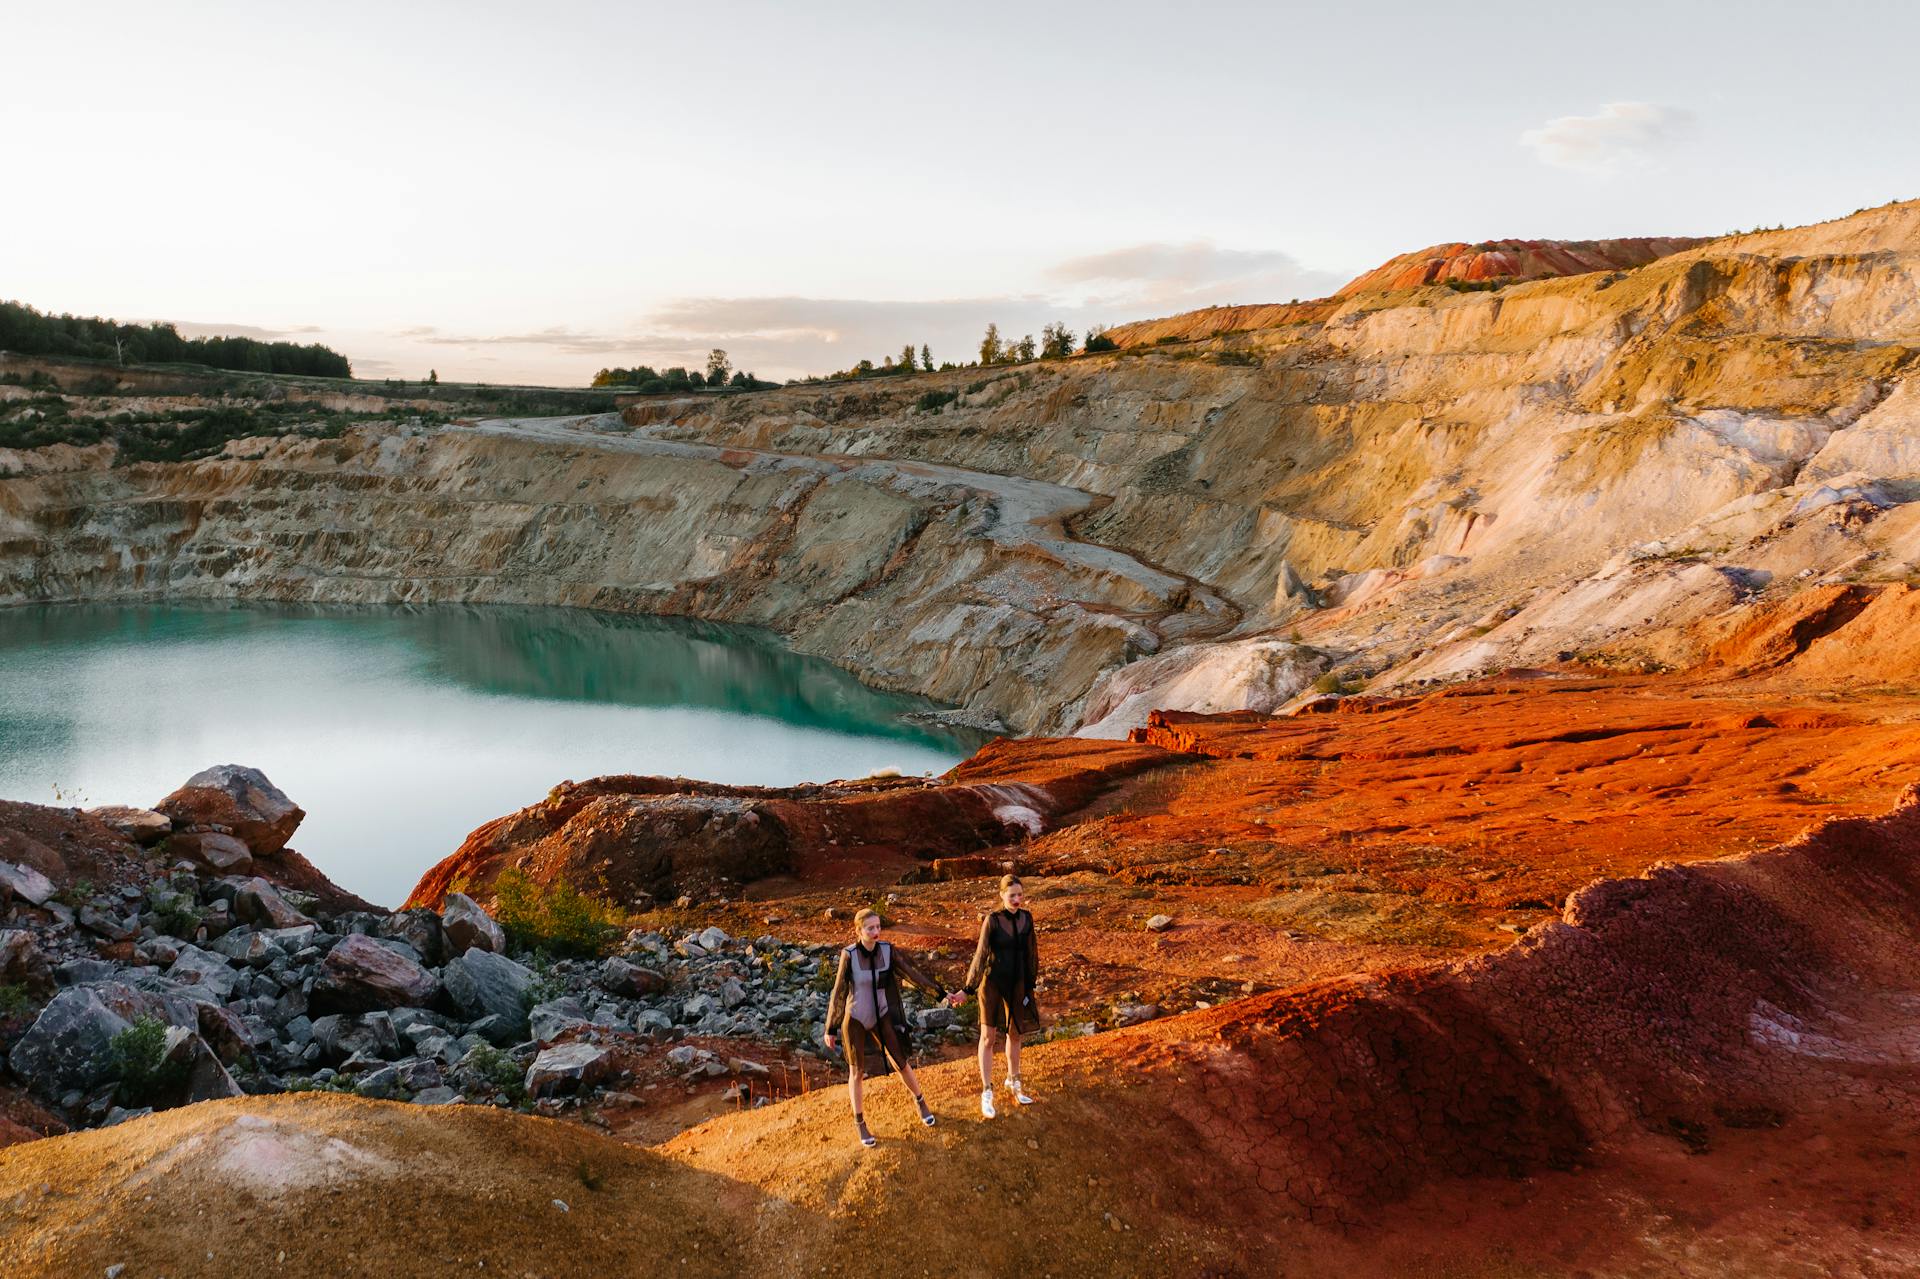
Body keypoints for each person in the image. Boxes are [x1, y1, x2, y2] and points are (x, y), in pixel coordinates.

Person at [824, 907, 964, 1148]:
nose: (876, 931)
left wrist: (941, 994)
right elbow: (839, 991)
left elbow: (912, 974)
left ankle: (920, 1101)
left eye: (878, 927)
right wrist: (831, 1028)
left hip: (882, 1016)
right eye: (870, 928)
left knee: (901, 1061)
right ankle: (860, 1123)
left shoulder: (888, 951)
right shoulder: (849, 954)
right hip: (855, 1018)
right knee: (857, 1072)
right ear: (858, 931)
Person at [965, 873, 1042, 1118]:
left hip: (1017, 983)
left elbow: (1032, 953)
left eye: (1020, 895)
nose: (1017, 899)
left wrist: (1030, 984)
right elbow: (980, 955)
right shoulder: (993, 920)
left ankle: (1014, 1080)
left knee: (1015, 1034)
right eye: (1012, 896)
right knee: (988, 1038)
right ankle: (987, 1091)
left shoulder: (1026, 919)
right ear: (1002, 896)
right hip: (992, 984)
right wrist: (968, 987)